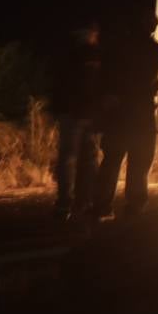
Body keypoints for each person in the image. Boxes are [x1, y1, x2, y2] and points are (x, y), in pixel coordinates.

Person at [92, 12, 158, 219]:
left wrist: (108, 98)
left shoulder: (117, 46)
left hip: (119, 113)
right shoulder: (153, 48)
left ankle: (102, 205)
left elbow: (105, 75)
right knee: (139, 161)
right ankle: (135, 205)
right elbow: (148, 78)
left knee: (113, 160)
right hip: (139, 112)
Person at [51, 22, 104, 220]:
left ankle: (65, 203)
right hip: (86, 113)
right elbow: (99, 84)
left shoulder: (66, 55)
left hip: (71, 113)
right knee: (87, 159)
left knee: (69, 158)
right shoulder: (94, 55)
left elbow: (58, 83)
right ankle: (85, 201)